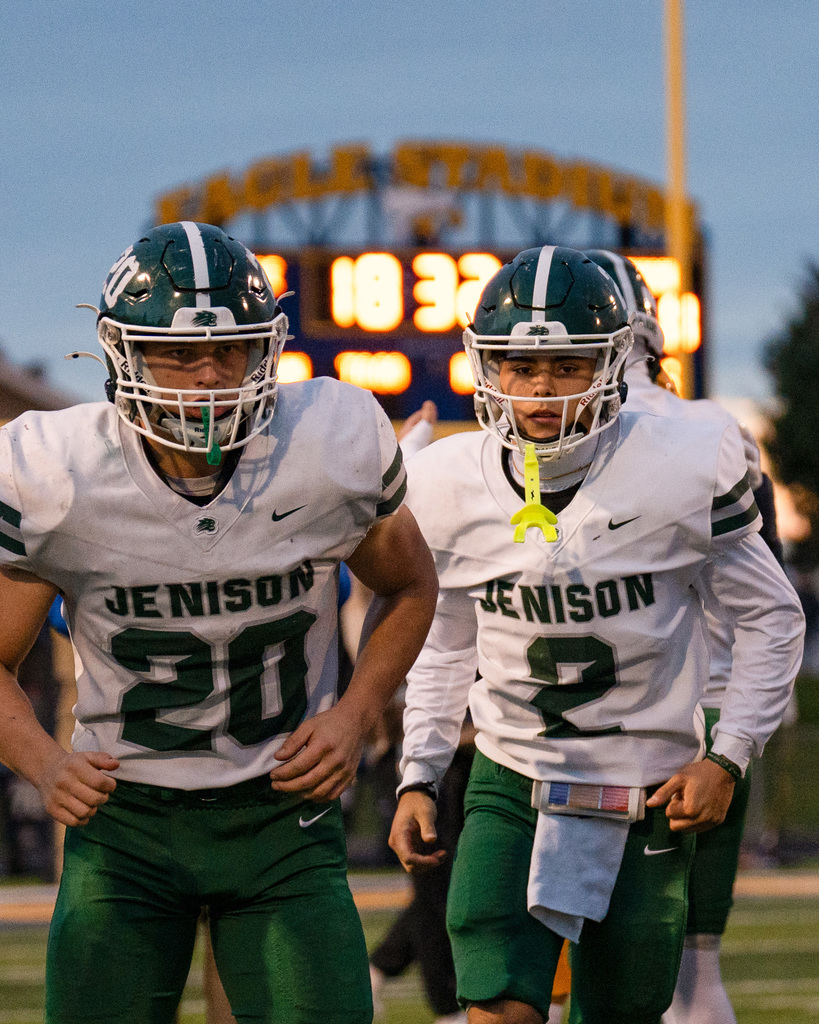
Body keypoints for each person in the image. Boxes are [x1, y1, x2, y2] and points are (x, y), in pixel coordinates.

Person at [0, 221, 438, 1024]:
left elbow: (411, 586)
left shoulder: (326, 444)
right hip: (125, 821)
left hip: (282, 815)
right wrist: (43, 762)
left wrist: (355, 713)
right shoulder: (56, 473)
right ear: (123, 353)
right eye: (178, 353)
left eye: (229, 349)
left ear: (265, 348)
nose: (207, 375)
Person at [387, 246, 804, 1024]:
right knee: (494, 1005)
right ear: (486, 366)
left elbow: (771, 616)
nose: (541, 388)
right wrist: (420, 772)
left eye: (567, 365)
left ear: (612, 364)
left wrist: (726, 755)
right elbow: (444, 643)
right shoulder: (446, 480)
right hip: (511, 778)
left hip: (646, 784)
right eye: (520, 366)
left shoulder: (681, 462)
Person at [586, 249, 785, 1024]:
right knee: (693, 969)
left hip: (597, 725)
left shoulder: (537, 444)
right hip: (715, 714)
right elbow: (764, 594)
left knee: (586, 966)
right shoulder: (712, 427)